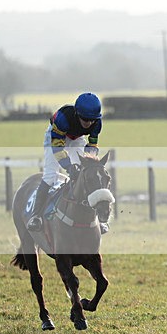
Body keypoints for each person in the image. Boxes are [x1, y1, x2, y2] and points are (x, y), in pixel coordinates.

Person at [26, 92, 107, 233]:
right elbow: (58, 148)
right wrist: (69, 167)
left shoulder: (97, 123)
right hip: (55, 138)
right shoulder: (62, 119)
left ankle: (97, 218)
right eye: (85, 119)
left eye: (92, 120)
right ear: (77, 114)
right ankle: (36, 216)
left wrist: (90, 162)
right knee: (50, 176)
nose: (88, 123)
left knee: (86, 174)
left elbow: (92, 146)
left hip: (76, 139)